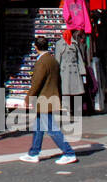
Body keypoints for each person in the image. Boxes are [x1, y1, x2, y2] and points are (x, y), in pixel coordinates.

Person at [19, 37, 78, 165]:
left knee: (51, 128)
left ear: (36, 47)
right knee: (38, 127)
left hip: (44, 99)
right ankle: (33, 153)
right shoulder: (53, 60)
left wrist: (29, 96)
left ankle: (68, 153)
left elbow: (37, 82)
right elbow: (58, 80)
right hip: (51, 97)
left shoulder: (42, 62)